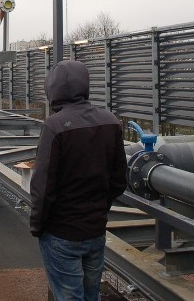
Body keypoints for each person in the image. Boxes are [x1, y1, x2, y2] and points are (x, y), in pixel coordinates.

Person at [29, 60, 127, 301]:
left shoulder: (55, 126)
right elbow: (119, 180)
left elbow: (43, 186)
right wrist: (99, 210)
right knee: (91, 294)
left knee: (69, 296)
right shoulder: (110, 121)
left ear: (53, 89)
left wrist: (37, 224)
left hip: (61, 232)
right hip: (95, 230)